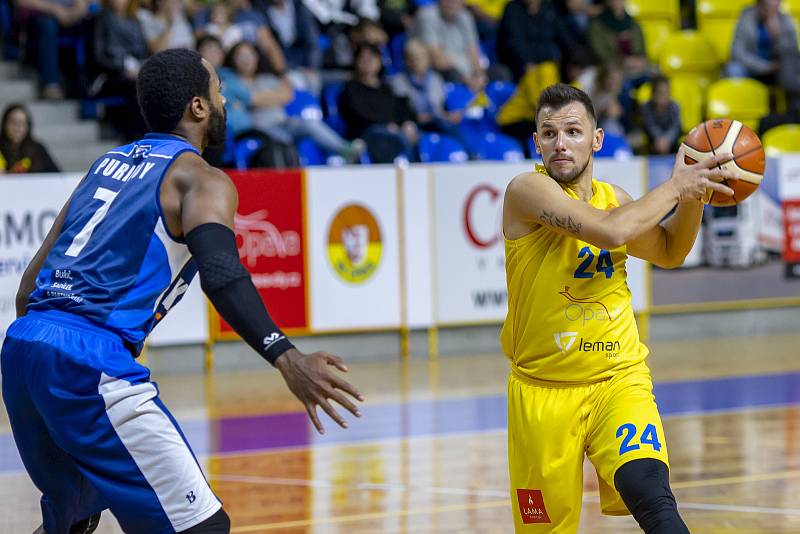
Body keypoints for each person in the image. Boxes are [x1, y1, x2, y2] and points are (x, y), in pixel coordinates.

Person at [2, 48, 363, 534]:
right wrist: (287, 356)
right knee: (201, 527)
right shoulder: (199, 177)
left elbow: (29, 287)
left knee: (74, 517)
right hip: (88, 360)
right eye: (218, 92)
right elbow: (221, 271)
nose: (225, 103)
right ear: (198, 107)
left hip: (24, 346)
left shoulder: (105, 165)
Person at [500, 83, 738, 532]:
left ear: (597, 140)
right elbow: (609, 232)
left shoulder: (618, 200)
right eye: (548, 134)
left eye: (572, 131)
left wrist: (694, 195)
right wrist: (675, 185)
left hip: (618, 379)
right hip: (543, 394)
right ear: (536, 143)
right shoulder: (526, 191)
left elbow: (670, 251)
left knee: (653, 497)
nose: (560, 143)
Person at [726, 0, 799, 85]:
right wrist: (766, 67)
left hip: (777, 71)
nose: (770, 10)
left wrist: (777, 37)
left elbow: (791, 54)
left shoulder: (785, 20)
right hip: (751, 67)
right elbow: (737, 52)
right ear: (759, 3)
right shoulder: (746, 18)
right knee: (734, 69)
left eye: (775, 5)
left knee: (792, 71)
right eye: (767, 6)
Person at [0, 103, 60, 173]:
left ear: (28, 126)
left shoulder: (37, 148)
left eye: (22, 123)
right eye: (13, 122)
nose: (17, 127)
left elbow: (56, 174)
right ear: (5, 123)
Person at [641, 75, 682, 155]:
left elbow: (676, 127)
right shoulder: (646, 107)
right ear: (652, 93)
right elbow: (650, 126)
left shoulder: (675, 106)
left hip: (671, 142)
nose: (662, 96)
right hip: (653, 141)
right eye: (659, 92)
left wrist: (667, 140)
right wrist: (659, 139)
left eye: (665, 92)